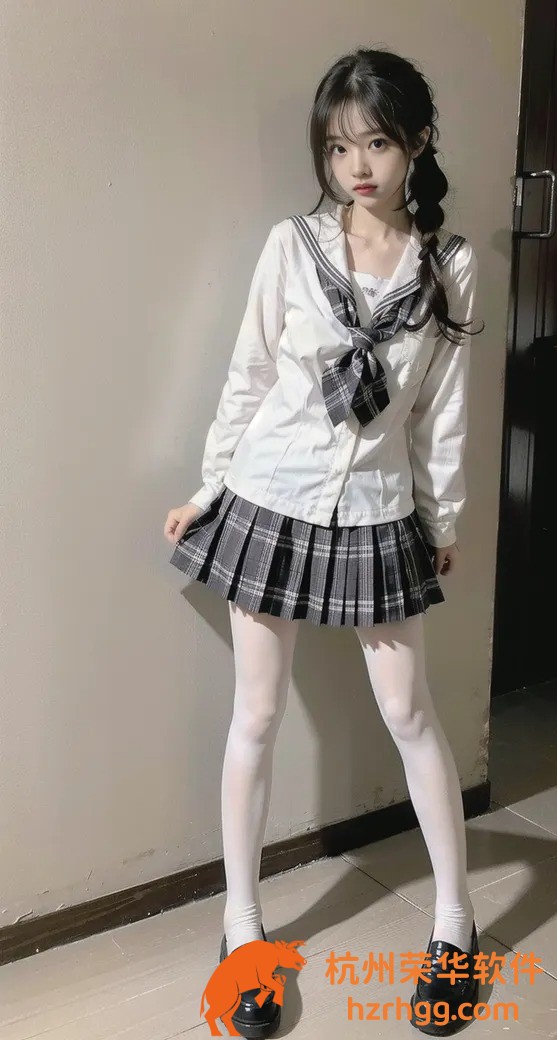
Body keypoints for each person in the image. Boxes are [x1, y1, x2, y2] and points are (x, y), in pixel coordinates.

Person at [164, 46, 483, 1038]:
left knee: (410, 712)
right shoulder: (292, 247)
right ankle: (243, 929)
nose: (357, 166)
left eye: (376, 143)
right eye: (339, 147)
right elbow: (251, 373)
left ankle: (454, 924)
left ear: (416, 141)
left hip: (380, 511)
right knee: (255, 715)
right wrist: (210, 486)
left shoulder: (449, 266)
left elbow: (441, 412)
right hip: (272, 498)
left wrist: (442, 518)